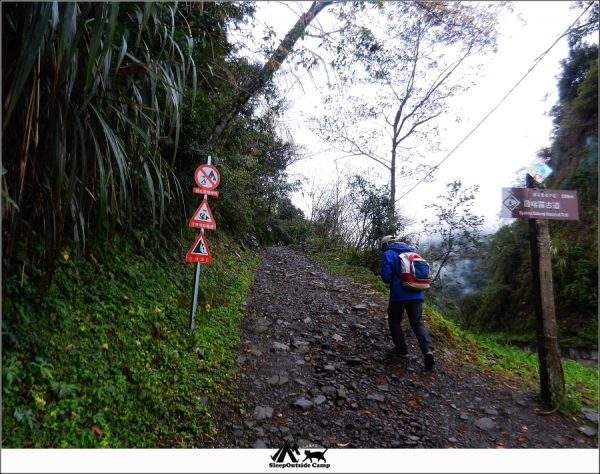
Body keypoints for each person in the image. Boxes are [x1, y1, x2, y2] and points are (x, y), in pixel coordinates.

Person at [380, 235, 435, 368]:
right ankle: (427, 350)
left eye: (382, 246)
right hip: (417, 293)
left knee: (394, 321)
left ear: (387, 244)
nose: (383, 249)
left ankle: (401, 350)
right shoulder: (413, 253)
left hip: (399, 294)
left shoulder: (389, 253)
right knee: (417, 323)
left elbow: (386, 277)